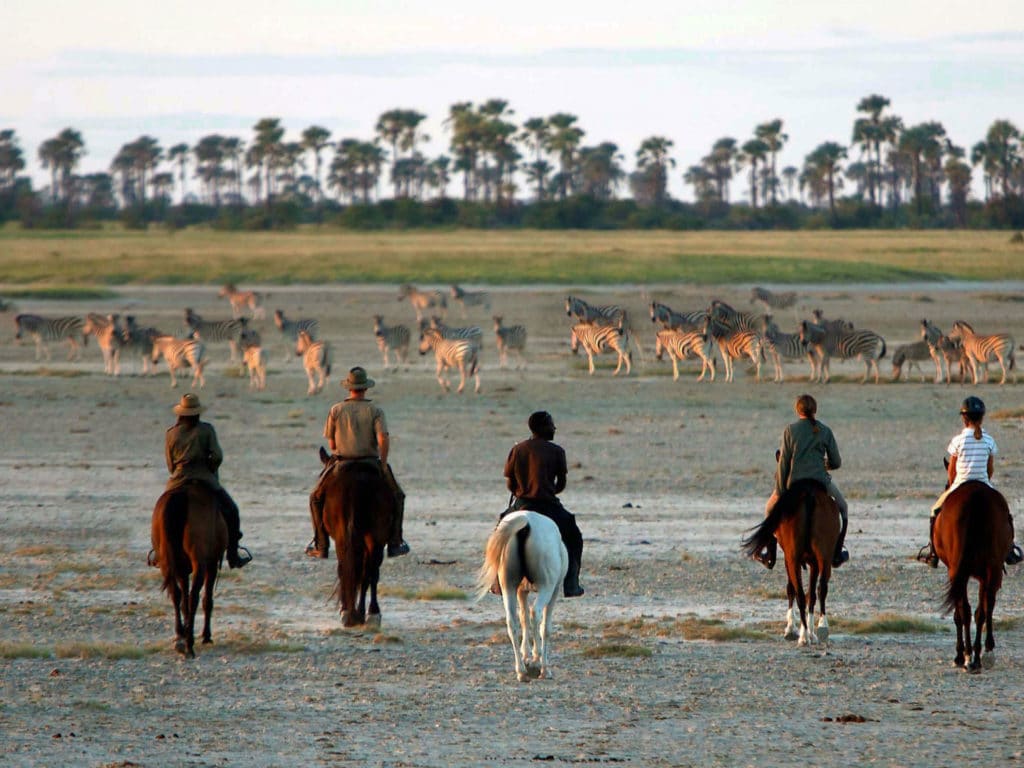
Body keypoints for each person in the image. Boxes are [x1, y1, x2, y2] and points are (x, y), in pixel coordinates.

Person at [306, 366, 409, 559]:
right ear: (365, 388)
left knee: (315, 498)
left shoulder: (336, 410)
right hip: (370, 462)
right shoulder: (375, 410)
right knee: (397, 496)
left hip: (341, 463)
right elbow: (383, 439)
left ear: (349, 388)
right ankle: (395, 542)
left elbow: (331, 442)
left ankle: (321, 544)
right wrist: (384, 462)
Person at [918, 396, 1023, 568]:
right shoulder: (989, 440)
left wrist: (952, 484)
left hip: (960, 483)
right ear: (982, 417)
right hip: (984, 483)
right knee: (1005, 512)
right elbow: (990, 470)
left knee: (934, 511)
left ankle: (933, 552)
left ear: (964, 418)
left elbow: (952, 470)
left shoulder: (958, 440)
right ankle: (1010, 549)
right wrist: (984, 479)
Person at [755, 393, 849, 570]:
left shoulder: (790, 430)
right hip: (820, 480)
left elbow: (783, 463)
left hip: (794, 481)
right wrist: (823, 466)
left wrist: (781, 491)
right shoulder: (825, 430)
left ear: (797, 410)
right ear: (815, 410)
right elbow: (836, 462)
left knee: (768, 510)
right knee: (843, 508)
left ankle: (770, 553)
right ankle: (837, 551)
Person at [157, 392, 251, 568]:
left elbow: (170, 464)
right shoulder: (206, 430)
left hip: (177, 480)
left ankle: (158, 552)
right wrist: (209, 467)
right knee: (232, 511)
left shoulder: (171, 433)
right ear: (197, 413)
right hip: (204, 478)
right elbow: (217, 456)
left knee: (161, 513)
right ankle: (233, 554)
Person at [502, 411, 584, 597]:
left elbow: (510, 483)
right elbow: (561, 483)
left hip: (522, 503)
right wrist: (547, 491)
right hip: (549, 505)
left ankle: (496, 582)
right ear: (543, 427)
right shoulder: (557, 451)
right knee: (574, 535)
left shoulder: (518, 449)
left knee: (498, 531)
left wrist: (521, 492)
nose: (554, 428)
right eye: (551, 425)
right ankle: (571, 583)